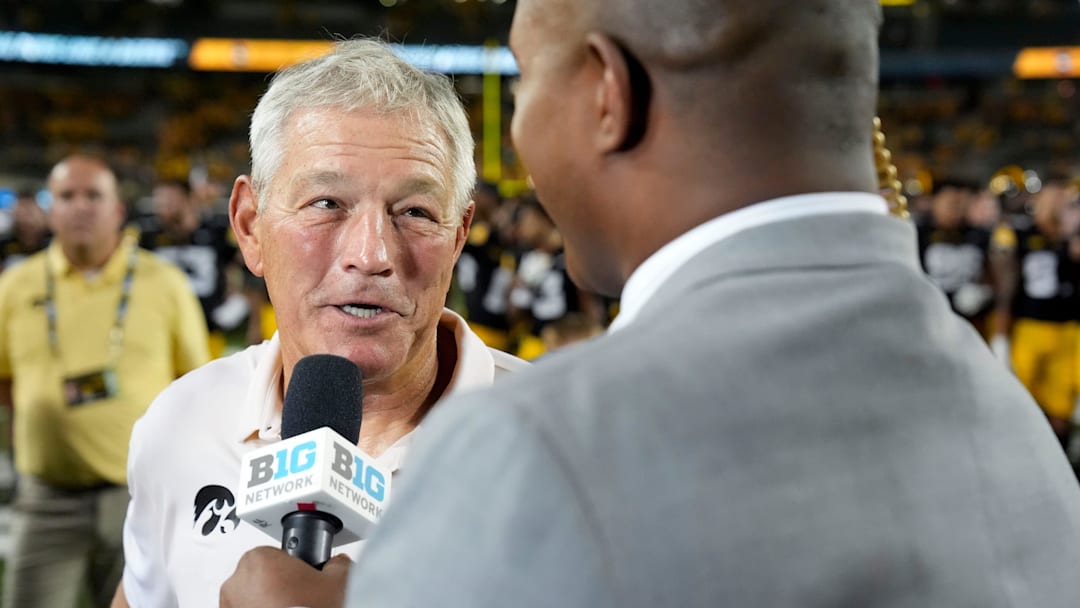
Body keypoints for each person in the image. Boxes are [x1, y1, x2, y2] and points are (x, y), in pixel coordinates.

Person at [224, 1, 1080, 607]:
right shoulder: (1010, 419)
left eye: (524, 80)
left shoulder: (544, 448)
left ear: (607, 93)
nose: (517, 130)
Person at [114, 39, 525, 608]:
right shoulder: (181, 423)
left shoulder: (570, 447)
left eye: (415, 212)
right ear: (251, 226)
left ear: (458, 237)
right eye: (327, 203)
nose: (371, 253)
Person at [0, 155, 210, 608]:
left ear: (117, 209)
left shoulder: (165, 283)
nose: (80, 207)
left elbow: (194, 386)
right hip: (46, 496)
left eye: (93, 195)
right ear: (50, 210)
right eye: (66, 196)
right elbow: (4, 380)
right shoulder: (14, 286)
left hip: (140, 495)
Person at [989, 175, 1080, 447]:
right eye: (1056, 200)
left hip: (1069, 329)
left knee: (1060, 409)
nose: (1060, 206)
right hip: (1029, 326)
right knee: (1019, 404)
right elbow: (1006, 289)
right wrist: (1001, 337)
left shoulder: (1072, 240)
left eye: (1066, 201)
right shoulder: (1019, 234)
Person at [136, 178, 257, 358]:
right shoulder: (148, 237)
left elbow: (249, 265)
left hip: (212, 320)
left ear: (188, 199)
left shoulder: (216, 232)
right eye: (160, 202)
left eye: (170, 200)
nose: (163, 207)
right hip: (166, 323)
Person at [0, 188, 51, 270]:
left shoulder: (54, 242)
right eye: (20, 213)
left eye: (29, 213)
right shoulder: (5, 243)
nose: (25, 219)